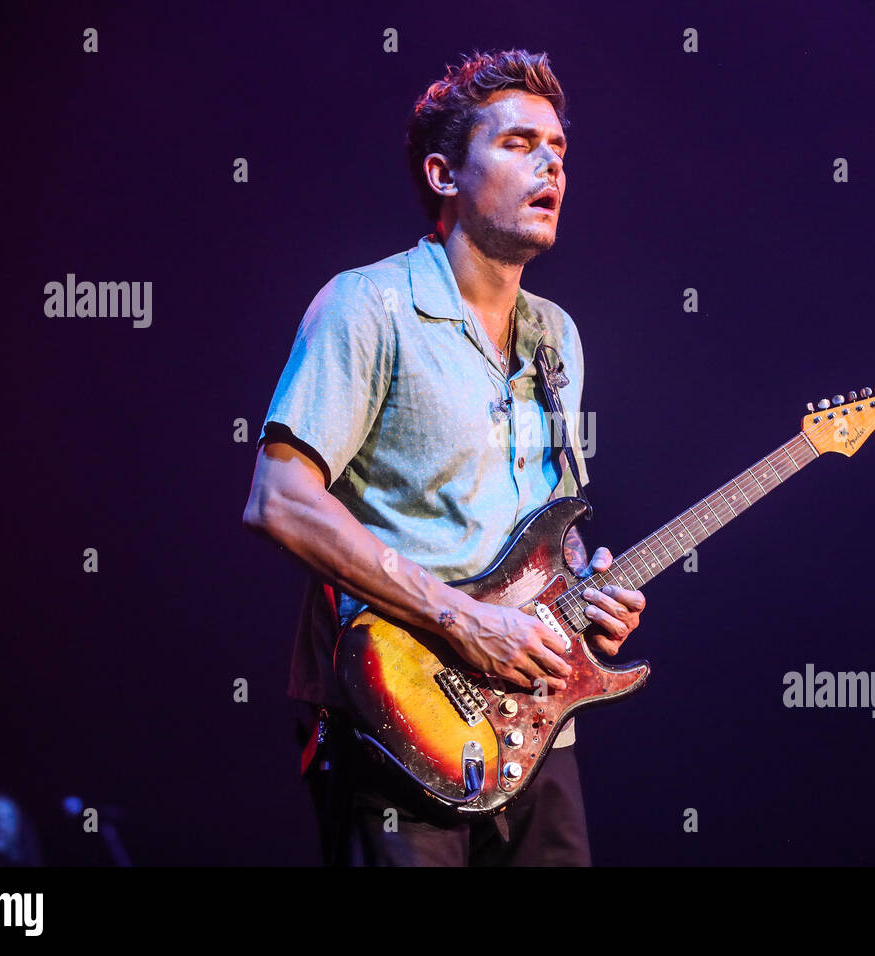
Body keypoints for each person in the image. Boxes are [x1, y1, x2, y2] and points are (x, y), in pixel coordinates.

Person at [242, 48, 646, 866]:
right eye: (519, 144)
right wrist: (464, 620)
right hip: (404, 722)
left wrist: (589, 592)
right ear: (443, 174)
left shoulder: (556, 337)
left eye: (559, 150)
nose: (550, 165)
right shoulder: (368, 304)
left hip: (533, 727)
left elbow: (546, 531)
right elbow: (280, 500)